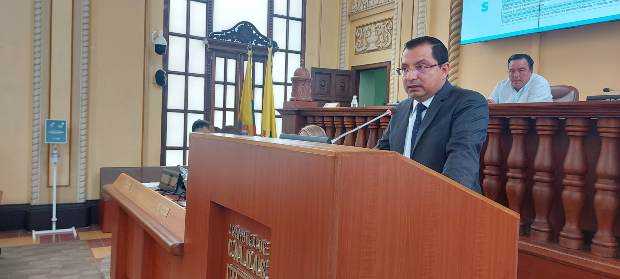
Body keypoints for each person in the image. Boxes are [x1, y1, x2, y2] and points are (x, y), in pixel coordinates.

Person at [376, 36, 489, 193]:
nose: (409, 76)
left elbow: (461, 164)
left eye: (421, 67)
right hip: (399, 201)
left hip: (446, 204)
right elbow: (381, 156)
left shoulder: (468, 103)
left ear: (444, 70)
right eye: (405, 69)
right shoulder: (400, 109)